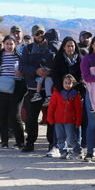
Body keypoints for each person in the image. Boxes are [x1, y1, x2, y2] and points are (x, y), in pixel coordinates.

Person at [20, 24, 58, 153]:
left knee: (51, 117)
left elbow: (59, 64)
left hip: (49, 89)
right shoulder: (28, 49)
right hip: (32, 89)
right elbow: (22, 67)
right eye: (37, 34)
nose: (40, 35)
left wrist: (50, 72)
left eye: (41, 33)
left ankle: (52, 143)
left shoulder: (53, 48)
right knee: (31, 118)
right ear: (33, 36)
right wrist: (36, 71)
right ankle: (30, 142)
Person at [0, 35, 27, 149]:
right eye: (7, 44)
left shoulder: (20, 56)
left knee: (15, 115)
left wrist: (22, 74)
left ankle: (20, 141)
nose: (9, 46)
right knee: (2, 115)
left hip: (17, 89)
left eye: (11, 44)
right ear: (3, 44)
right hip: (1, 89)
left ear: (15, 45)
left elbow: (25, 71)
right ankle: (4, 141)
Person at [47, 74, 83, 159]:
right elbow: (51, 106)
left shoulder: (75, 95)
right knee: (60, 138)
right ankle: (63, 152)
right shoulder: (56, 93)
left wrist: (78, 121)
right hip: (58, 120)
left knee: (71, 137)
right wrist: (50, 118)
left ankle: (78, 151)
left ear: (73, 84)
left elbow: (78, 109)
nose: (67, 85)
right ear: (62, 83)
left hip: (70, 120)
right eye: (65, 83)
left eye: (69, 83)